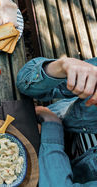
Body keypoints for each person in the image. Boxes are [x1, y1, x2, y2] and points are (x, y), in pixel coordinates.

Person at [17, 57, 97, 186]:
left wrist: (52, 125)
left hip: (50, 151)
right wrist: (60, 67)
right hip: (49, 127)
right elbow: (25, 81)